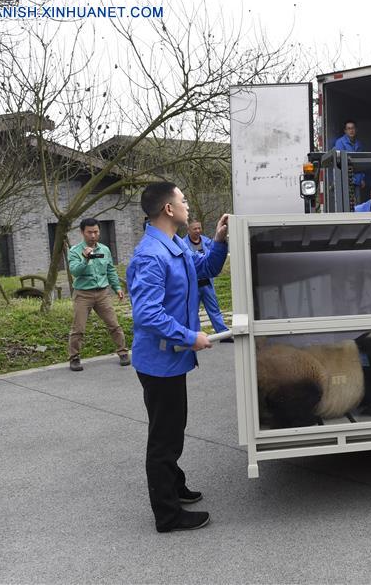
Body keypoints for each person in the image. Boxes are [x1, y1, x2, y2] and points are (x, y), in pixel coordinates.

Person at [126, 181, 230, 532]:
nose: (187, 205)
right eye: (183, 200)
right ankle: (167, 515)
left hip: (171, 359)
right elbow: (147, 315)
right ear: (168, 210)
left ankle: (176, 485)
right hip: (159, 362)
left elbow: (205, 271)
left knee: (174, 427)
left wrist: (219, 240)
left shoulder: (174, 244)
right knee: (164, 437)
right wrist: (191, 336)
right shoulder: (150, 256)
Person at [67, 218, 128, 372]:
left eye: (96, 232)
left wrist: (117, 288)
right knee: (78, 328)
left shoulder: (104, 250)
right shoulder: (74, 251)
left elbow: (110, 270)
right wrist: (85, 259)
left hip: (102, 293)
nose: (93, 235)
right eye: (89, 232)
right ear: (82, 232)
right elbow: (75, 271)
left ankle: (123, 352)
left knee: (114, 324)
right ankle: (74, 358)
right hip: (83, 294)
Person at [186, 219, 233, 343]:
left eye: (199, 228)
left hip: (207, 283)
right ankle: (194, 336)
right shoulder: (182, 244)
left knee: (214, 309)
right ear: (188, 230)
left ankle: (223, 334)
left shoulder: (207, 241)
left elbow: (215, 256)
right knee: (192, 311)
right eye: (194, 229)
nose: (197, 231)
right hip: (193, 285)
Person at [332, 119, 365, 195]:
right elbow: (340, 162)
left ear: (356, 130)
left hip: (357, 180)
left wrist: (362, 178)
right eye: (349, 129)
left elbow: (362, 163)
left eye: (353, 128)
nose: (351, 130)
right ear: (345, 131)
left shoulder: (359, 144)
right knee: (347, 204)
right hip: (345, 180)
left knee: (357, 204)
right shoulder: (340, 143)